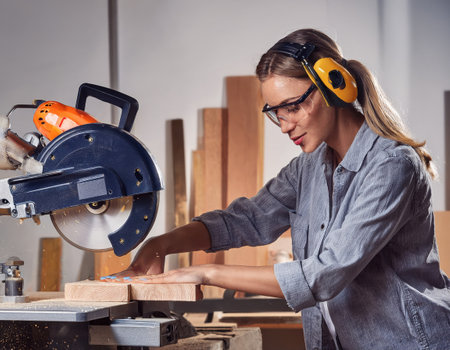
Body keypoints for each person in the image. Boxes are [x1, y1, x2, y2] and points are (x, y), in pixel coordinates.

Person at [108, 29, 450, 350]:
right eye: (276, 112)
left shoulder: (391, 165)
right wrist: (162, 244)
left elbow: (325, 274)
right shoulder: (309, 167)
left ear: (333, 86)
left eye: (293, 106)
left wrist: (205, 272)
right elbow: (245, 220)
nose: (285, 125)